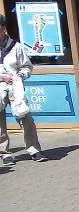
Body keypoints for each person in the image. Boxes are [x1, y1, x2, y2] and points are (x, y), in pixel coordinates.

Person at [0, 16, 46, 165]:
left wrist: (19, 76)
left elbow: (27, 66)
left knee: (25, 117)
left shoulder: (16, 46)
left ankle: (34, 149)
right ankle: (4, 153)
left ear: (4, 28)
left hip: (15, 87)